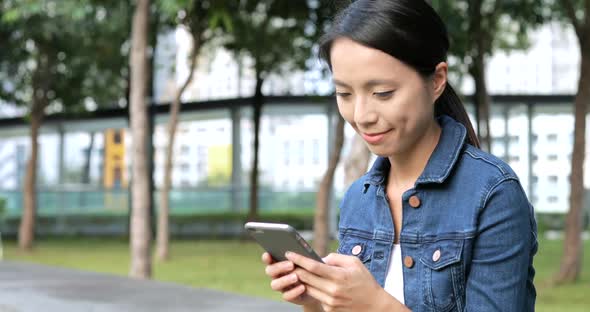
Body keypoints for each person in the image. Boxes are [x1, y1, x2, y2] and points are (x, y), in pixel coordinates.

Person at [261, 0, 538, 311]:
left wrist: (375, 304)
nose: (362, 115)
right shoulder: (358, 198)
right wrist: (317, 301)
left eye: (382, 93)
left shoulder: (492, 194)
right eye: (344, 94)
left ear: (436, 81)